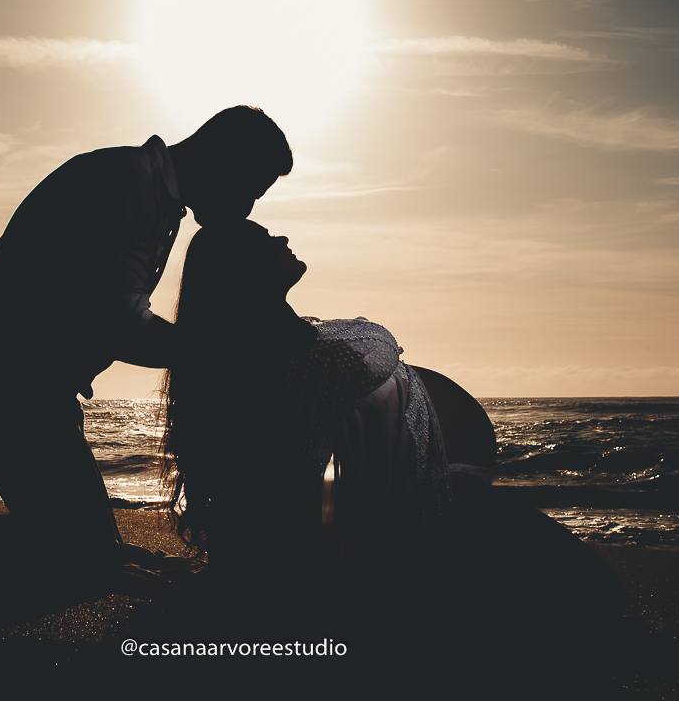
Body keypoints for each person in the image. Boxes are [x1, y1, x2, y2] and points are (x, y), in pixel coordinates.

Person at [159, 219, 624, 629]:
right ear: (246, 272)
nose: (280, 238)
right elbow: (379, 346)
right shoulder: (305, 361)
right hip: (365, 535)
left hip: (344, 526)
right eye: (266, 239)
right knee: (585, 586)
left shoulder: (253, 359)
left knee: (562, 572)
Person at [0, 107, 292, 577]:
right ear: (225, 162)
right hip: (2, 381)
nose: (246, 208)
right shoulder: (128, 185)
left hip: (34, 387)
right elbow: (122, 323)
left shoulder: (147, 190)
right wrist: (225, 351)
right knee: (78, 559)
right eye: (251, 189)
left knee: (83, 544)